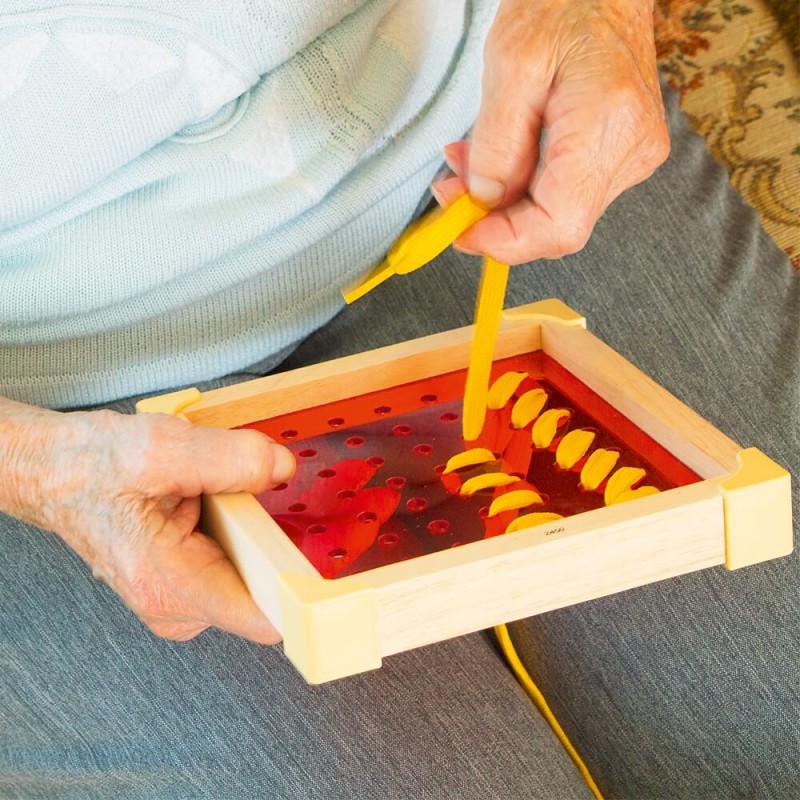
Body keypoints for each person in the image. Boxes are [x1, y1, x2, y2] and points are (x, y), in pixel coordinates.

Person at [0, 1, 796, 798]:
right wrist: (35, 466)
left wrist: (600, 13)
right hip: (58, 386)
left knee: (774, 714)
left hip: (478, 150)